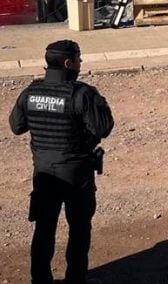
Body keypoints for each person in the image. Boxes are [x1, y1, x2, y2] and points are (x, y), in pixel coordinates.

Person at [9, 40, 114, 284]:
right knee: (79, 230)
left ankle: (40, 279)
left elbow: (16, 127)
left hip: (44, 172)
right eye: (78, 59)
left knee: (44, 229)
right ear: (68, 63)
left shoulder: (31, 92)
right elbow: (103, 127)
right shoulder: (82, 93)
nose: (80, 63)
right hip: (76, 175)